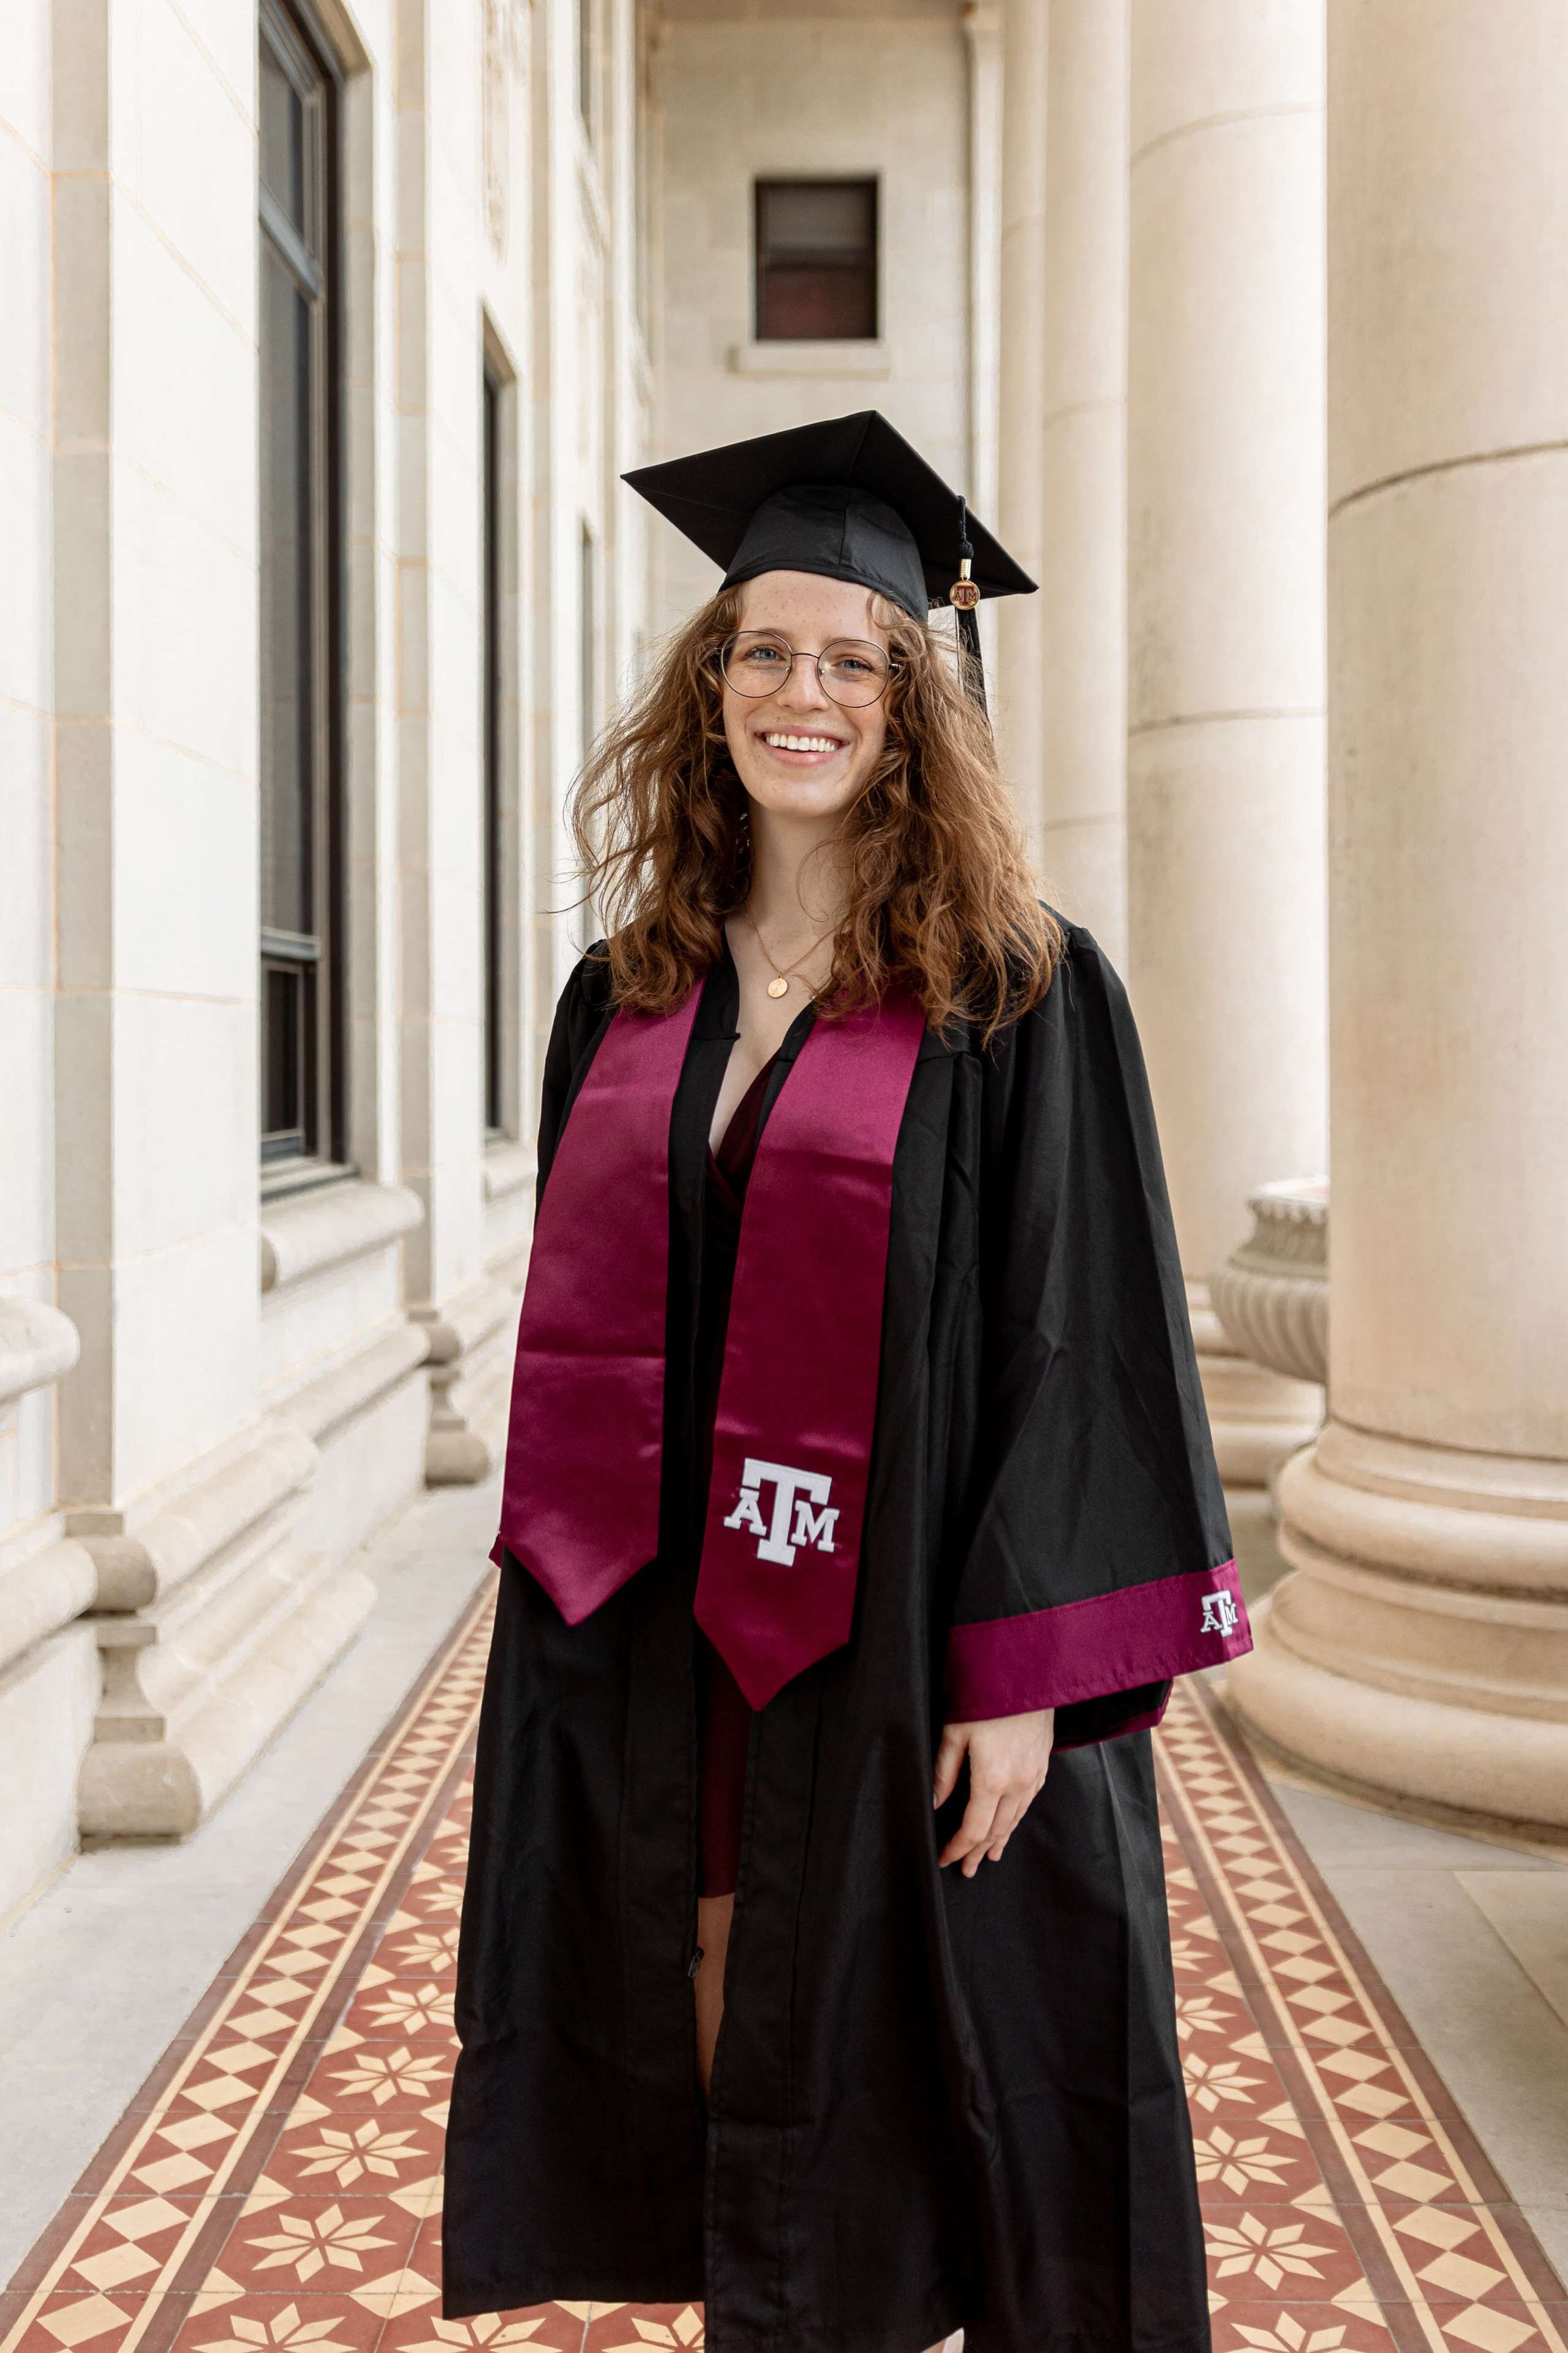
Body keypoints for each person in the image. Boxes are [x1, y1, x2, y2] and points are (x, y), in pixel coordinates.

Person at [445, 412, 1251, 2353]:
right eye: (766, 650)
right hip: (665, 1645)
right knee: (710, 2018)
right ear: (708, 682)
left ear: (917, 700)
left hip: (900, 1654)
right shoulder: (628, 988)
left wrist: (1030, 1684)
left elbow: (1085, 1342)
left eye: (854, 659)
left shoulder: (1019, 990)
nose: (803, 694)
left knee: (911, 2095)